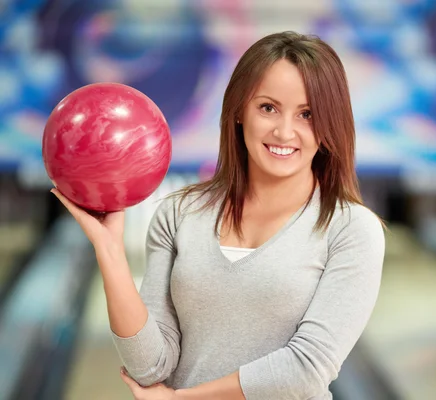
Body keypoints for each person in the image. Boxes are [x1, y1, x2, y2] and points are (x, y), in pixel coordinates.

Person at [52, 31, 386, 400]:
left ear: (328, 126)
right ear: (240, 111)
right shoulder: (179, 214)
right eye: (268, 108)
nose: (285, 131)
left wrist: (181, 399)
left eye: (307, 114)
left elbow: (306, 370)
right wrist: (109, 250)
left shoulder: (352, 230)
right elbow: (150, 366)